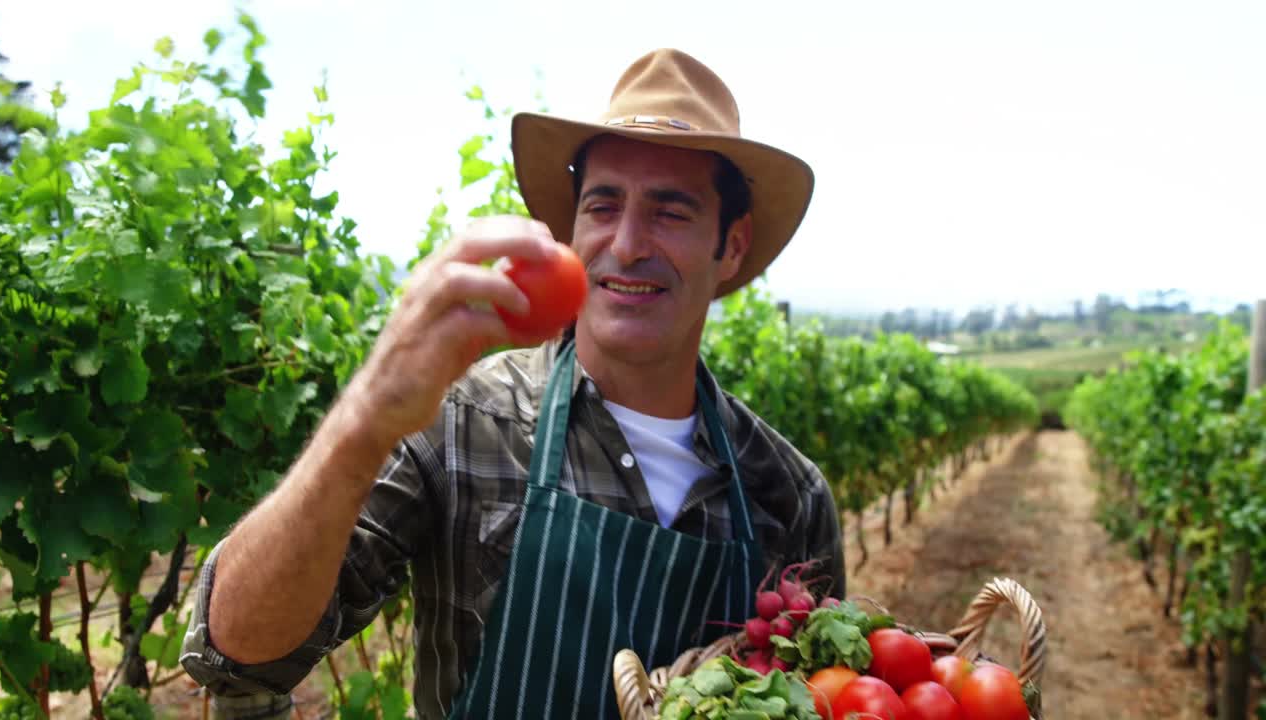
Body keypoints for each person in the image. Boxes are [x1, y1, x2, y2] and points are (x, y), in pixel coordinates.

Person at [181, 48, 843, 720]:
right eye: (603, 205)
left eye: (670, 212)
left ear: (732, 245)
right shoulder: (462, 422)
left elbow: (823, 691)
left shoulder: (788, 494)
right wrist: (362, 421)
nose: (627, 244)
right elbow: (235, 656)